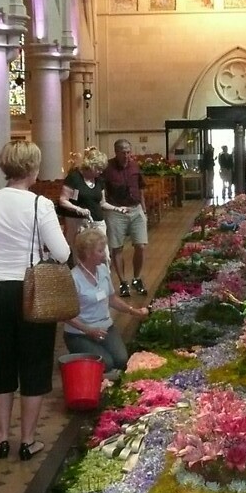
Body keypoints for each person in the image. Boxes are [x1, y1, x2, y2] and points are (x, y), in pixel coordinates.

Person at [0, 140, 70, 461]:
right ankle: (27, 440)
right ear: (33, 169)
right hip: (31, 289)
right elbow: (63, 253)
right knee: (35, 362)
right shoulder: (40, 205)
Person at [66, 226, 149, 377]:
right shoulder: (73, 278)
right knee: (107, 363)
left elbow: (112, 298)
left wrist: (133, 311)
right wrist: (88, 330)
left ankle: (107, 377)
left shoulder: (103, 270)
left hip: (105, 328)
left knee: (122, 359)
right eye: (100, 251)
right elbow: (65, 314)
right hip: (80, 333)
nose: (104, 255)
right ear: (87, 253)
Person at [102, 138, 148, 297]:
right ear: (116, 152)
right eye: (123, 153)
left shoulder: (135, 166)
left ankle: (137, 278)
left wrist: (144, 209)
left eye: (129, 152)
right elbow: (103, 191)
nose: (127, 156)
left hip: (136, 209)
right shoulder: (107, 168)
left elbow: (141, 187)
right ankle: (123, 282)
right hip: (116, 211)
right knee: (117, 247)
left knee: (141, 245)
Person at [59, 147, 108, 253]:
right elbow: (63, 200)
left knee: (104, 255)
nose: (100, 172)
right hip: (77, 221)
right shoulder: (74, 178)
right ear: (90, 166)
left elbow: (102, 203)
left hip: (97, 220)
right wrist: (78, 209)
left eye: (102, 169)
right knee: (80, 253)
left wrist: (117, 209)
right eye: (98, 169)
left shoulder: (99, 180)